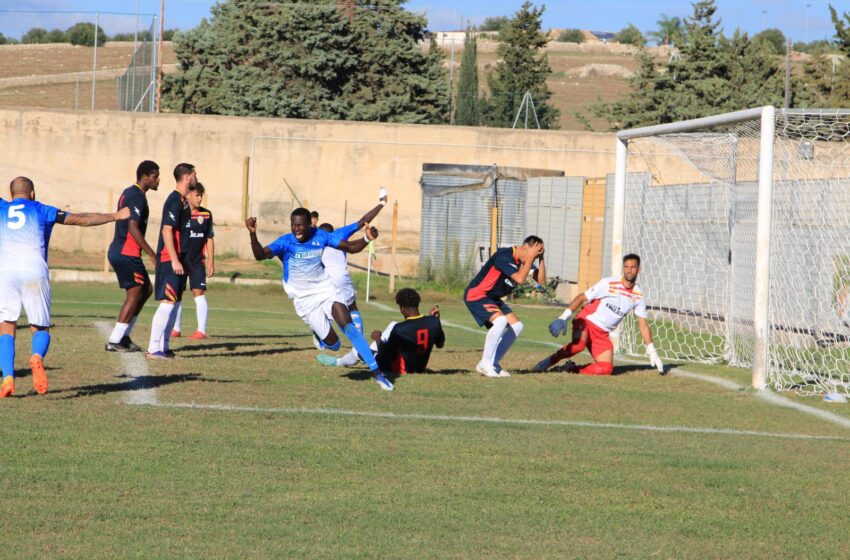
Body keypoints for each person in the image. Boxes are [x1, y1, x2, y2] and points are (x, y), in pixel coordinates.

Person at [246, 194, 394, 391]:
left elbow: (350, 247)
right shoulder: (285, 242)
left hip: (325, 289)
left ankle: (378, 374)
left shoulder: (321, 236)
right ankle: (318, 332)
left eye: (300, 225)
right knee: (334, 345)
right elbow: (260, 255)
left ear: (309, 225)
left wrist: (367, 238)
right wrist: (252, 234)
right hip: (304, 300)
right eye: (293, 224)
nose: (296, 229)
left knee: (349, 326)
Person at [0, 177, 130, 397]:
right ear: (32, 193)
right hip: (35, 271)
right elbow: (81, 219)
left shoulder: (2, 207)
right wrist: (115, 216)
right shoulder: (43, 210)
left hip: (5, 273)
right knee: (39, 327)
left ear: (11, 193)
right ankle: (37, 357)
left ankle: (8, 378)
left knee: (6, 325)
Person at [534, 253, 665, 376]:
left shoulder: (638, 295)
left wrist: (651, 349)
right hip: (586, 321)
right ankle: (548, 362)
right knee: (578, 346)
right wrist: (563, 318)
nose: (629, 270)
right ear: (623, 269)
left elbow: (643, 325)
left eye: (633, 267)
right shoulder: (608, 283)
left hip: (602, 334)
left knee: (606, 369)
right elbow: (581, 298)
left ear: (638, 270)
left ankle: (570, 369)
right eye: (626, 267)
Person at [315, 187, 387, 355]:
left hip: (323, 280)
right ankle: (359, 344)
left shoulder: (313, 238)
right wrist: (382, 204)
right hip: (340, 276)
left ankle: (320, 334)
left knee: (321, 308)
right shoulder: (338, 234)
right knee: (352, 307)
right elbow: (364, 220)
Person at [464, 236, 545, 378]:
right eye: (534, 253)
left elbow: (542, 283)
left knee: (517, 326)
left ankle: (494, 363)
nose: (533, 257)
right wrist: (532, 257)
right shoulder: (504, 255)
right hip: (477, 294)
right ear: (525, 247)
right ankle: (484, 363)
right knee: (500, 321)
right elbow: (520, 279)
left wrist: (541, 258)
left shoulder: (524, 261)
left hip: (492, 298)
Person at [317, 288, 445, 374]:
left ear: (402, 309)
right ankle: (357, 354)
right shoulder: (433, 321)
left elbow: (384, 357)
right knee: (392, 324)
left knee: (360, 350)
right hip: (420, 367)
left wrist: (377, 339)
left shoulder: (400, 329)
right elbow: (440, 344)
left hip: (398, 369)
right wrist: (437, 321)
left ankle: (338, 362)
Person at [105, 160, 160, 352]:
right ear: (144, 177)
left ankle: (125, 336)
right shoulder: (136, 196)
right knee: (136, 292)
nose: (158, 180)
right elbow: (133, 228)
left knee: (146, 289)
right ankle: (114, 340)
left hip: (122, 250)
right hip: (125, 251)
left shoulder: (130, 192)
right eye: (155, 176)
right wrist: (152, 254)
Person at [146, 163, 196, 359]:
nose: (196, 178)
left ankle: (164, 346)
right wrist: (174, 260)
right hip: (169, 260)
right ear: (187, 178)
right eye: (194, 175)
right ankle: (152, 348)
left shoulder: (183, 201)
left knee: (174, 303)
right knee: (168, 303)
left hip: (180, 260)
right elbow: (167, 230)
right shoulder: (174, 200)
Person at [172, 182, 214, 340]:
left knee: (198, 293)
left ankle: (201, 331)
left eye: (201, 195)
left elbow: (209, 238)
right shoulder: (180, 213)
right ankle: (175, 329)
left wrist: (211, 262)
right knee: (177, 294)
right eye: (197, 195)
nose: (200, 198)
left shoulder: (206, 215)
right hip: (181, 261)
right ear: (188, 195)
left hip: (197, 262)